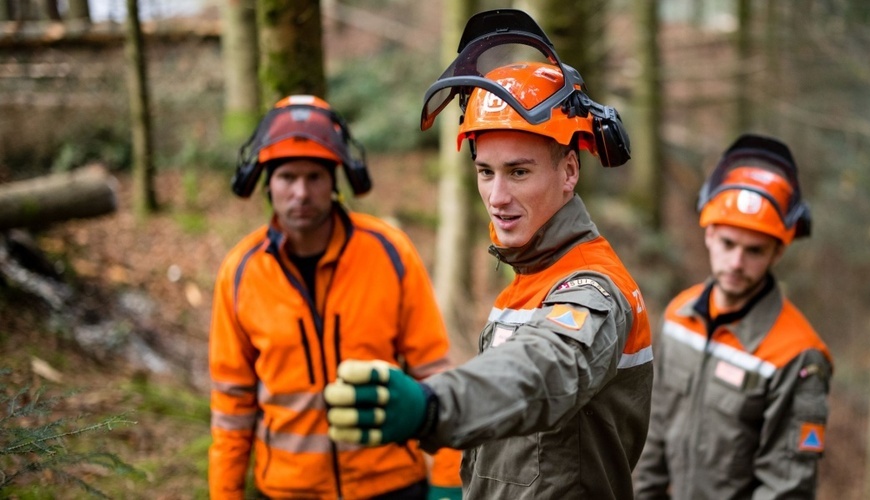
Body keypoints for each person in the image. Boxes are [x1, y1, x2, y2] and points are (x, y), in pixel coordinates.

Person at [323, 9, 653, 499]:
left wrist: (434, 407)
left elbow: (541, 371)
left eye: (518, 172)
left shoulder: (593, 289)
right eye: (485, 172)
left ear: (568, 171)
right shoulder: (527, 279)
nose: (497, 197)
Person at [208, 94, 462, 499]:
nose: (301, 193)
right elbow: (231, 404)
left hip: (392, 485)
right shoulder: (241, 273)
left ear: (336, 182)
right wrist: (225, 493)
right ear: (266, 184)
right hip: (288, 490)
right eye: (288, 177)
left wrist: (448, 481)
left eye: (314, 176)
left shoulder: (389, 252)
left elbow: (434, 372)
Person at [632, 134, 834, 499]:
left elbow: (785, 488)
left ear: (777, 252)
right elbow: (654, 432)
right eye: (728, 244)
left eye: (754, 250)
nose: (737, 263)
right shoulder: (679, 316)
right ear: (708, 235)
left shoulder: (797, 355)